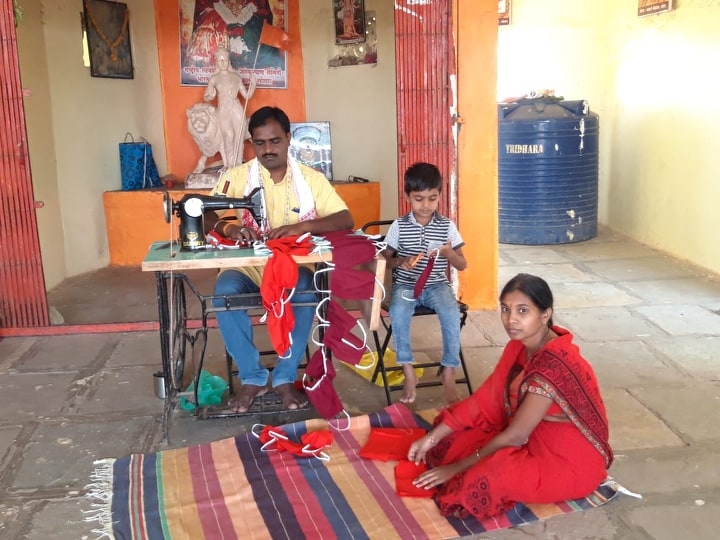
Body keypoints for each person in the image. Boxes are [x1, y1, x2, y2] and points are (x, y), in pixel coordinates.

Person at [407, 273, 613, 521]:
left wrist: (457, 468)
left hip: (565, 464)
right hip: (529, 439)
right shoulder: (519, 345)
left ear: (545, 314)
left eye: (523, 311)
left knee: (483, 478)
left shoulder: (551, 368)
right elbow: (486, 400)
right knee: (445, 434)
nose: (511, 319)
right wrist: (431, 439)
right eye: (505, 309)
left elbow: (515, 436)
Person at [204, 106, 353, 413]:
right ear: (251, 144)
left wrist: (303, 226)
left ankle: (284, 377)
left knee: (308, 293)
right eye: (260, 143)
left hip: (292, 269)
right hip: (248, 268)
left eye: (275, 141)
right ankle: (253, 377)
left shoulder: (311, 180)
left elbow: (345, 218)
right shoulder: (237, 178)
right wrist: (229, 227)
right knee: (222, 296)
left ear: (288, 139)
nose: (268, 149)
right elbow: (204, 212)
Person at [382, 162, 467, 405]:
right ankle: (408, 372)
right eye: (419, 199)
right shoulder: (399, 226)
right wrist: (401, 261)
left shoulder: (447, 226)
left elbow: (462, 265)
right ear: (407, 196)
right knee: (398, 313)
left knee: (451, 312)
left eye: (432, 198)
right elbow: (384, 260)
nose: (426, 206)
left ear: (440, 195)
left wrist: (450, 254)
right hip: (406, 285)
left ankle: (449, 371)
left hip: (437, 285)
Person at [203, 47, 257, 169]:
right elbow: (207, 96)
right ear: (217, 62)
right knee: (228, 135)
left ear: (229, 62)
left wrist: (253, 84)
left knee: (239, 134)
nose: (223, 63)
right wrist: (209, 95)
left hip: (236, 107)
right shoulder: (214, 78)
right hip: (223, 109)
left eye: (225, 60)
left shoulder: (236, 77)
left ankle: (237, 164)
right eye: (220, 61)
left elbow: (246, 96)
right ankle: (229, 164)